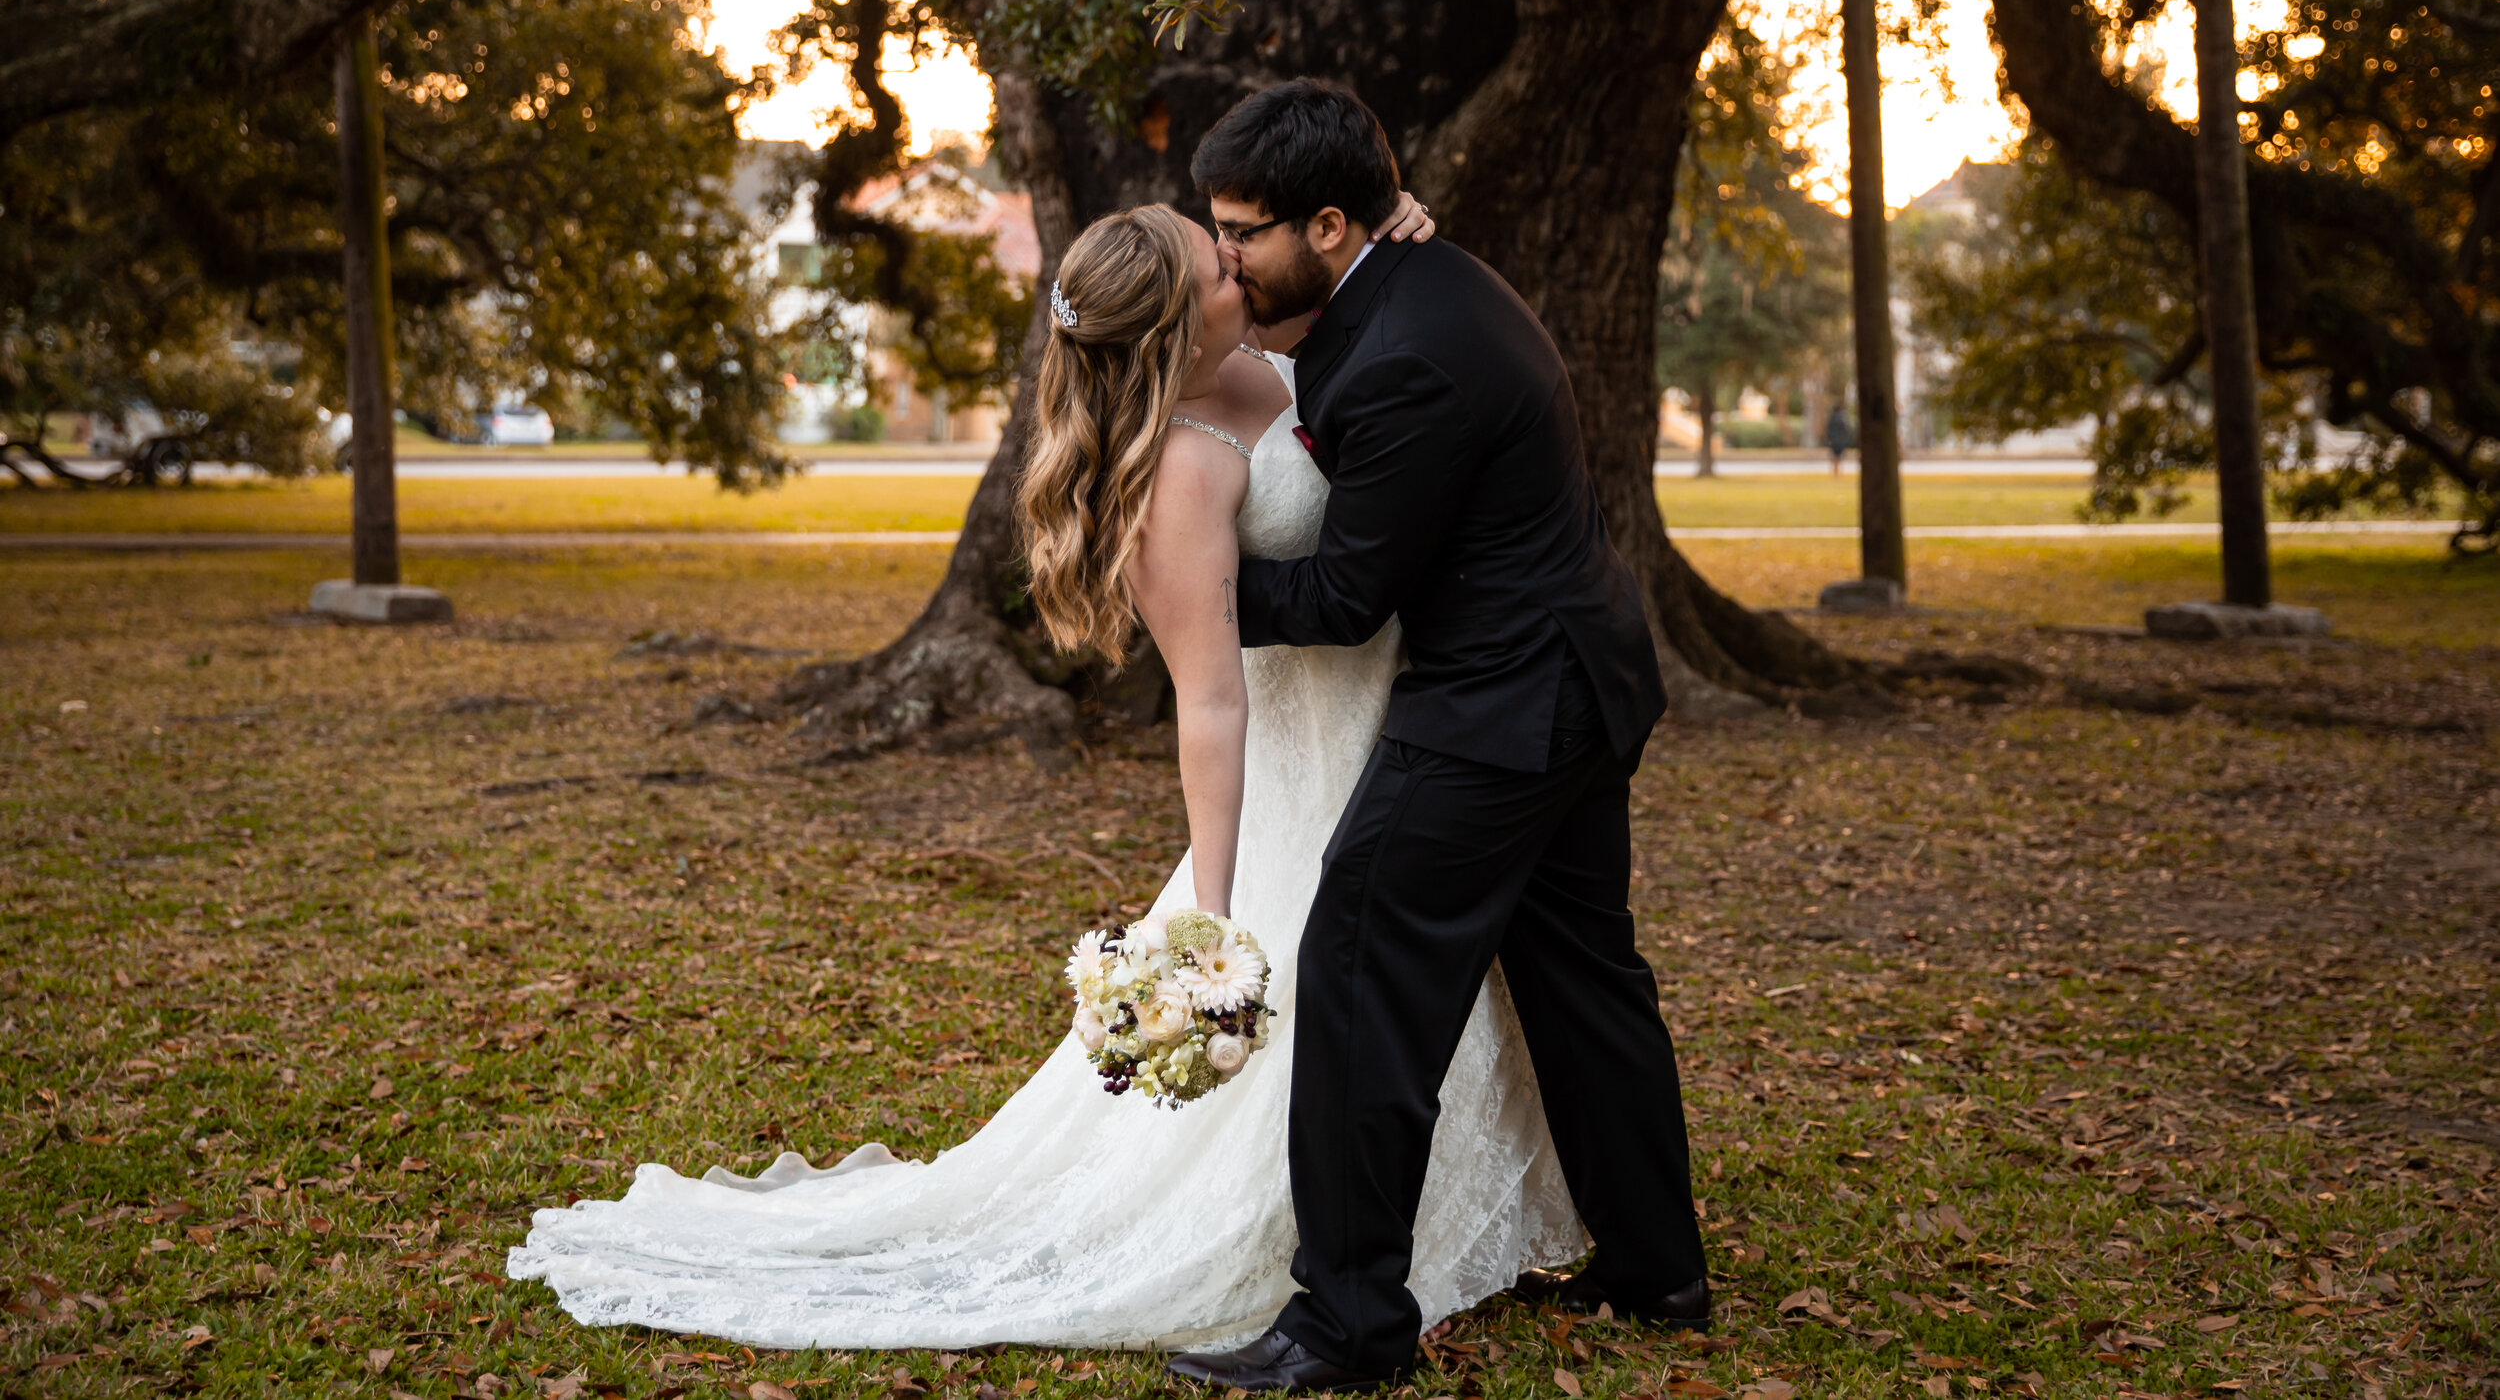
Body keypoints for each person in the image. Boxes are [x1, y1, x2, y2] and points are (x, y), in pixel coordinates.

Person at [503, 181, 1591, 1351]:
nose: (1239, 260)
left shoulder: (1271, 341)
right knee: (1345, 992)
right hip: (1308, 752)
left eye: (1231, 241)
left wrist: (1394, 232)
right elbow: (1212, 701)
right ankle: (1340, 1250)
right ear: (1181, 324)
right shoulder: (1179, 470)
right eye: (1215, 262)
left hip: (1414, 715)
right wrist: (1212, 920)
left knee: (1430, 979)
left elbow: (1372, 324)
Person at [1165, 80, 1707, 1394]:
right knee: (1585, 976)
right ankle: (1658, 1269)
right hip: (1579, 677)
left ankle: (1346, 1324)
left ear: (1334, 224)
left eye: (1243, 230)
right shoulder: (1423, 278)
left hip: (1503, 707)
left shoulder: (1400, 352)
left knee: (1355, 983)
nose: (1221, 253)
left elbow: (1352, 595)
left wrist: (1199, 599)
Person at [1825, 401, 1857, 475]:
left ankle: (1835, 471)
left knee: (1834, 456)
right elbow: (1847, 430)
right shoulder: (1843, 419)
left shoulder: (1831, 419)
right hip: (1840, 441)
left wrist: (1829, 439)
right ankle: (1839, 471)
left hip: (1833, 441)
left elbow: (1828, 430)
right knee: (1839, 456)